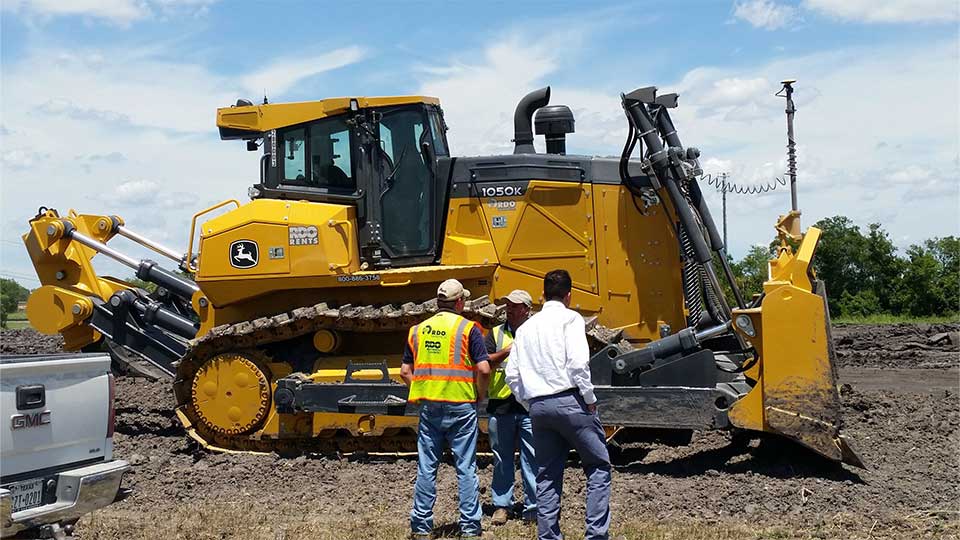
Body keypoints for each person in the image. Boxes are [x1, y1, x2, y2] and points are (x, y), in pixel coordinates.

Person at [505, 270, 611, 540]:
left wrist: (529, 403)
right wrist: (589, 399)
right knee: (598, 466)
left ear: (542, 296)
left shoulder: (526, 327)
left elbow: (512, 375)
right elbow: (577, 364)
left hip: (539, 407)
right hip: (571, 401)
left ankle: (549, 536)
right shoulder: (571, 318)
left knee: (547, 475)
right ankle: (596, 535)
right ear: (569, 295)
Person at [400, 279, 491, 540]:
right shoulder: (467, 329)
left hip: (430, 408)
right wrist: (479, 395)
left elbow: (406, 371)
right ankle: (471, 528)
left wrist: (421, 388)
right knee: (466, 467)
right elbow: (484, 368)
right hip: (461, 407)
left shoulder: (418, 330)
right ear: (460, 302)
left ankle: (421, 527)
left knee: (427, 467)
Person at [485, 289, 537, 525]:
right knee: (502, 458)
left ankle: (534, 507)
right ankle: (501, 505)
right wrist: (506, 351)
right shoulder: (496, 334)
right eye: (508, 305)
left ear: (526, 309)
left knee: (532, 458)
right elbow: (484, 361)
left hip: (529, 405)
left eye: (515, 306)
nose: (510, 309)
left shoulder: (537, 332)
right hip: (502, 406)